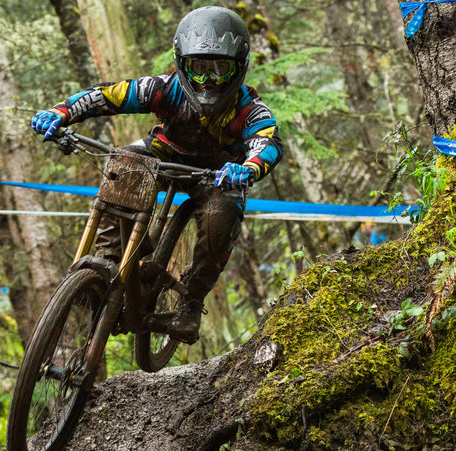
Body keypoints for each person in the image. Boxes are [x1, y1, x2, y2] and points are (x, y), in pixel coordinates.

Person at [31, 6, 284, 343]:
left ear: (239, 66)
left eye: (219, 69)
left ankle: (191, 301)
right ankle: (106, 260)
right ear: (183, 65)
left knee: (221, 215)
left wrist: (248, 168)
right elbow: (107, 95)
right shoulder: (163, 88)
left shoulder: (249, 108)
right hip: (165, 153)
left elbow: (267, 142)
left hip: (219, 175)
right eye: (198, 68)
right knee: (125, 160)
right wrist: (59, 113)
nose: (208, 80)